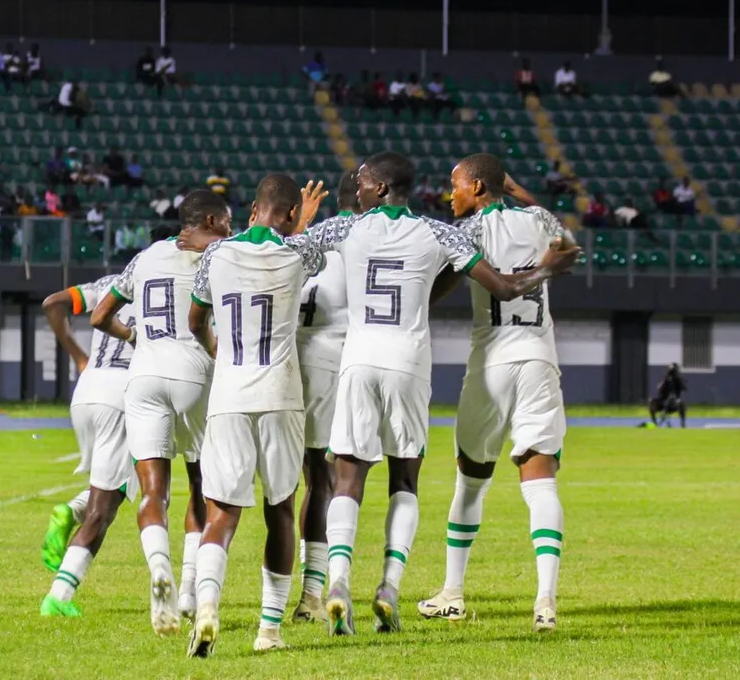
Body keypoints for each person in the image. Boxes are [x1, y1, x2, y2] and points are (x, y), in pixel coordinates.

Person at [304, 151, 580, 636]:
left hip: (377, 359)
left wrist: (302, 224)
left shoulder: (348, 228)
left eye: (364, 182)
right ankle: (399, 587)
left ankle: (356, 582)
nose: (450, 194)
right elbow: (535, 267)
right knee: (416, 481)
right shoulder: (450, 229)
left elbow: (290, 250)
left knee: (357, 479)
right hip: (455, 362)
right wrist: (544, 267)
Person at [417, 153, 574, 632]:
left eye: (457, 185)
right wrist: (520, 189)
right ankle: (545, 599)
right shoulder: (540, 219)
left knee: (470, 477)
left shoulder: (469, 233)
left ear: (480, 188)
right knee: (540, 479)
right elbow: (571, 246)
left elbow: (435, 287)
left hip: (491, 363)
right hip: (540, 359)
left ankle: (453, 592)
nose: (452, 194)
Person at [184, 174, 328, 656]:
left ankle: (206, 608)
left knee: (220, 513)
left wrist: (215, 348)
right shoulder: (298, 254)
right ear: (290, 215)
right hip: (281, 394)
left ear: (250, 211)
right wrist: (302, 224)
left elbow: (195, 318)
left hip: (229, 394)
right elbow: (304, 245)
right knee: (281, 509)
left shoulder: (215, 255)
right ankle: (269, 630)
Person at [90, 189, 231, 635]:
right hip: (194, 374)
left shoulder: (146, 256)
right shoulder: (221, 253)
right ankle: (189, 588)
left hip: (143, 375)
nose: (230, 228)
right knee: (201, 483)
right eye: (226, 220)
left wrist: (132, 338)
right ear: (210, 219)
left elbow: (99, 316)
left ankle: (158, 569)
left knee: (153, 490)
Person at [39, 268, 140, 616]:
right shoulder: (176, 279)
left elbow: (53, 304)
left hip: (87, 389)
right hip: (123, 392)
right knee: (105, 506)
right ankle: (59, 595)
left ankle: (75, 510)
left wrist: (78, 356)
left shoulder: (108, 283)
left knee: (124, 484)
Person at [291, 171, 360, 624]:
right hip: (331, 359)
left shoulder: (311, 237)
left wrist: (298, 226)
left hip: (289, 355)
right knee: (327, 480)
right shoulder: (366, 238)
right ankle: (312, 593)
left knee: (296, 482)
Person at [648, 363, 687, 428]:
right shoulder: (665, 379)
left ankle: (683, 424)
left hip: (674, 402)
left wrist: (678, 381)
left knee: (682, 404)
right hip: (663, 401)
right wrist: (664, 383)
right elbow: (660, 389)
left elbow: (684, 388)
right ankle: (654, 422)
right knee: (651, 402)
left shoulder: (678, 380)